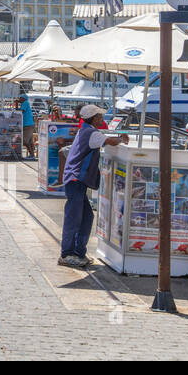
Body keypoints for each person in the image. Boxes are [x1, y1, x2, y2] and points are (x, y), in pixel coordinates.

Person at [59, 104, 124, 267]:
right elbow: (110, 141)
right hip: (75, 180)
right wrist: (122, 138)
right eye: (99, 116)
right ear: (94, 118)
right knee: (73, 218)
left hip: (76, 180)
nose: (102, 119)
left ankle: (79, 252)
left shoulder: (85, 130)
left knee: (87, 216)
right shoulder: (92, 133)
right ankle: (66, 254)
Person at [19, 94, 36, 159]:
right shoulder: (24, 103)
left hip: (27, 125)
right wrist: (17, 103)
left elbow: (21, 111)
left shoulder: (25, 103)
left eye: (20, 98)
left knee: (25, 141)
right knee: (29, 141)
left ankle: (31, 154)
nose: (19, 99)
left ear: (23, 98)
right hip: (28, 124)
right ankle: (32, 155)